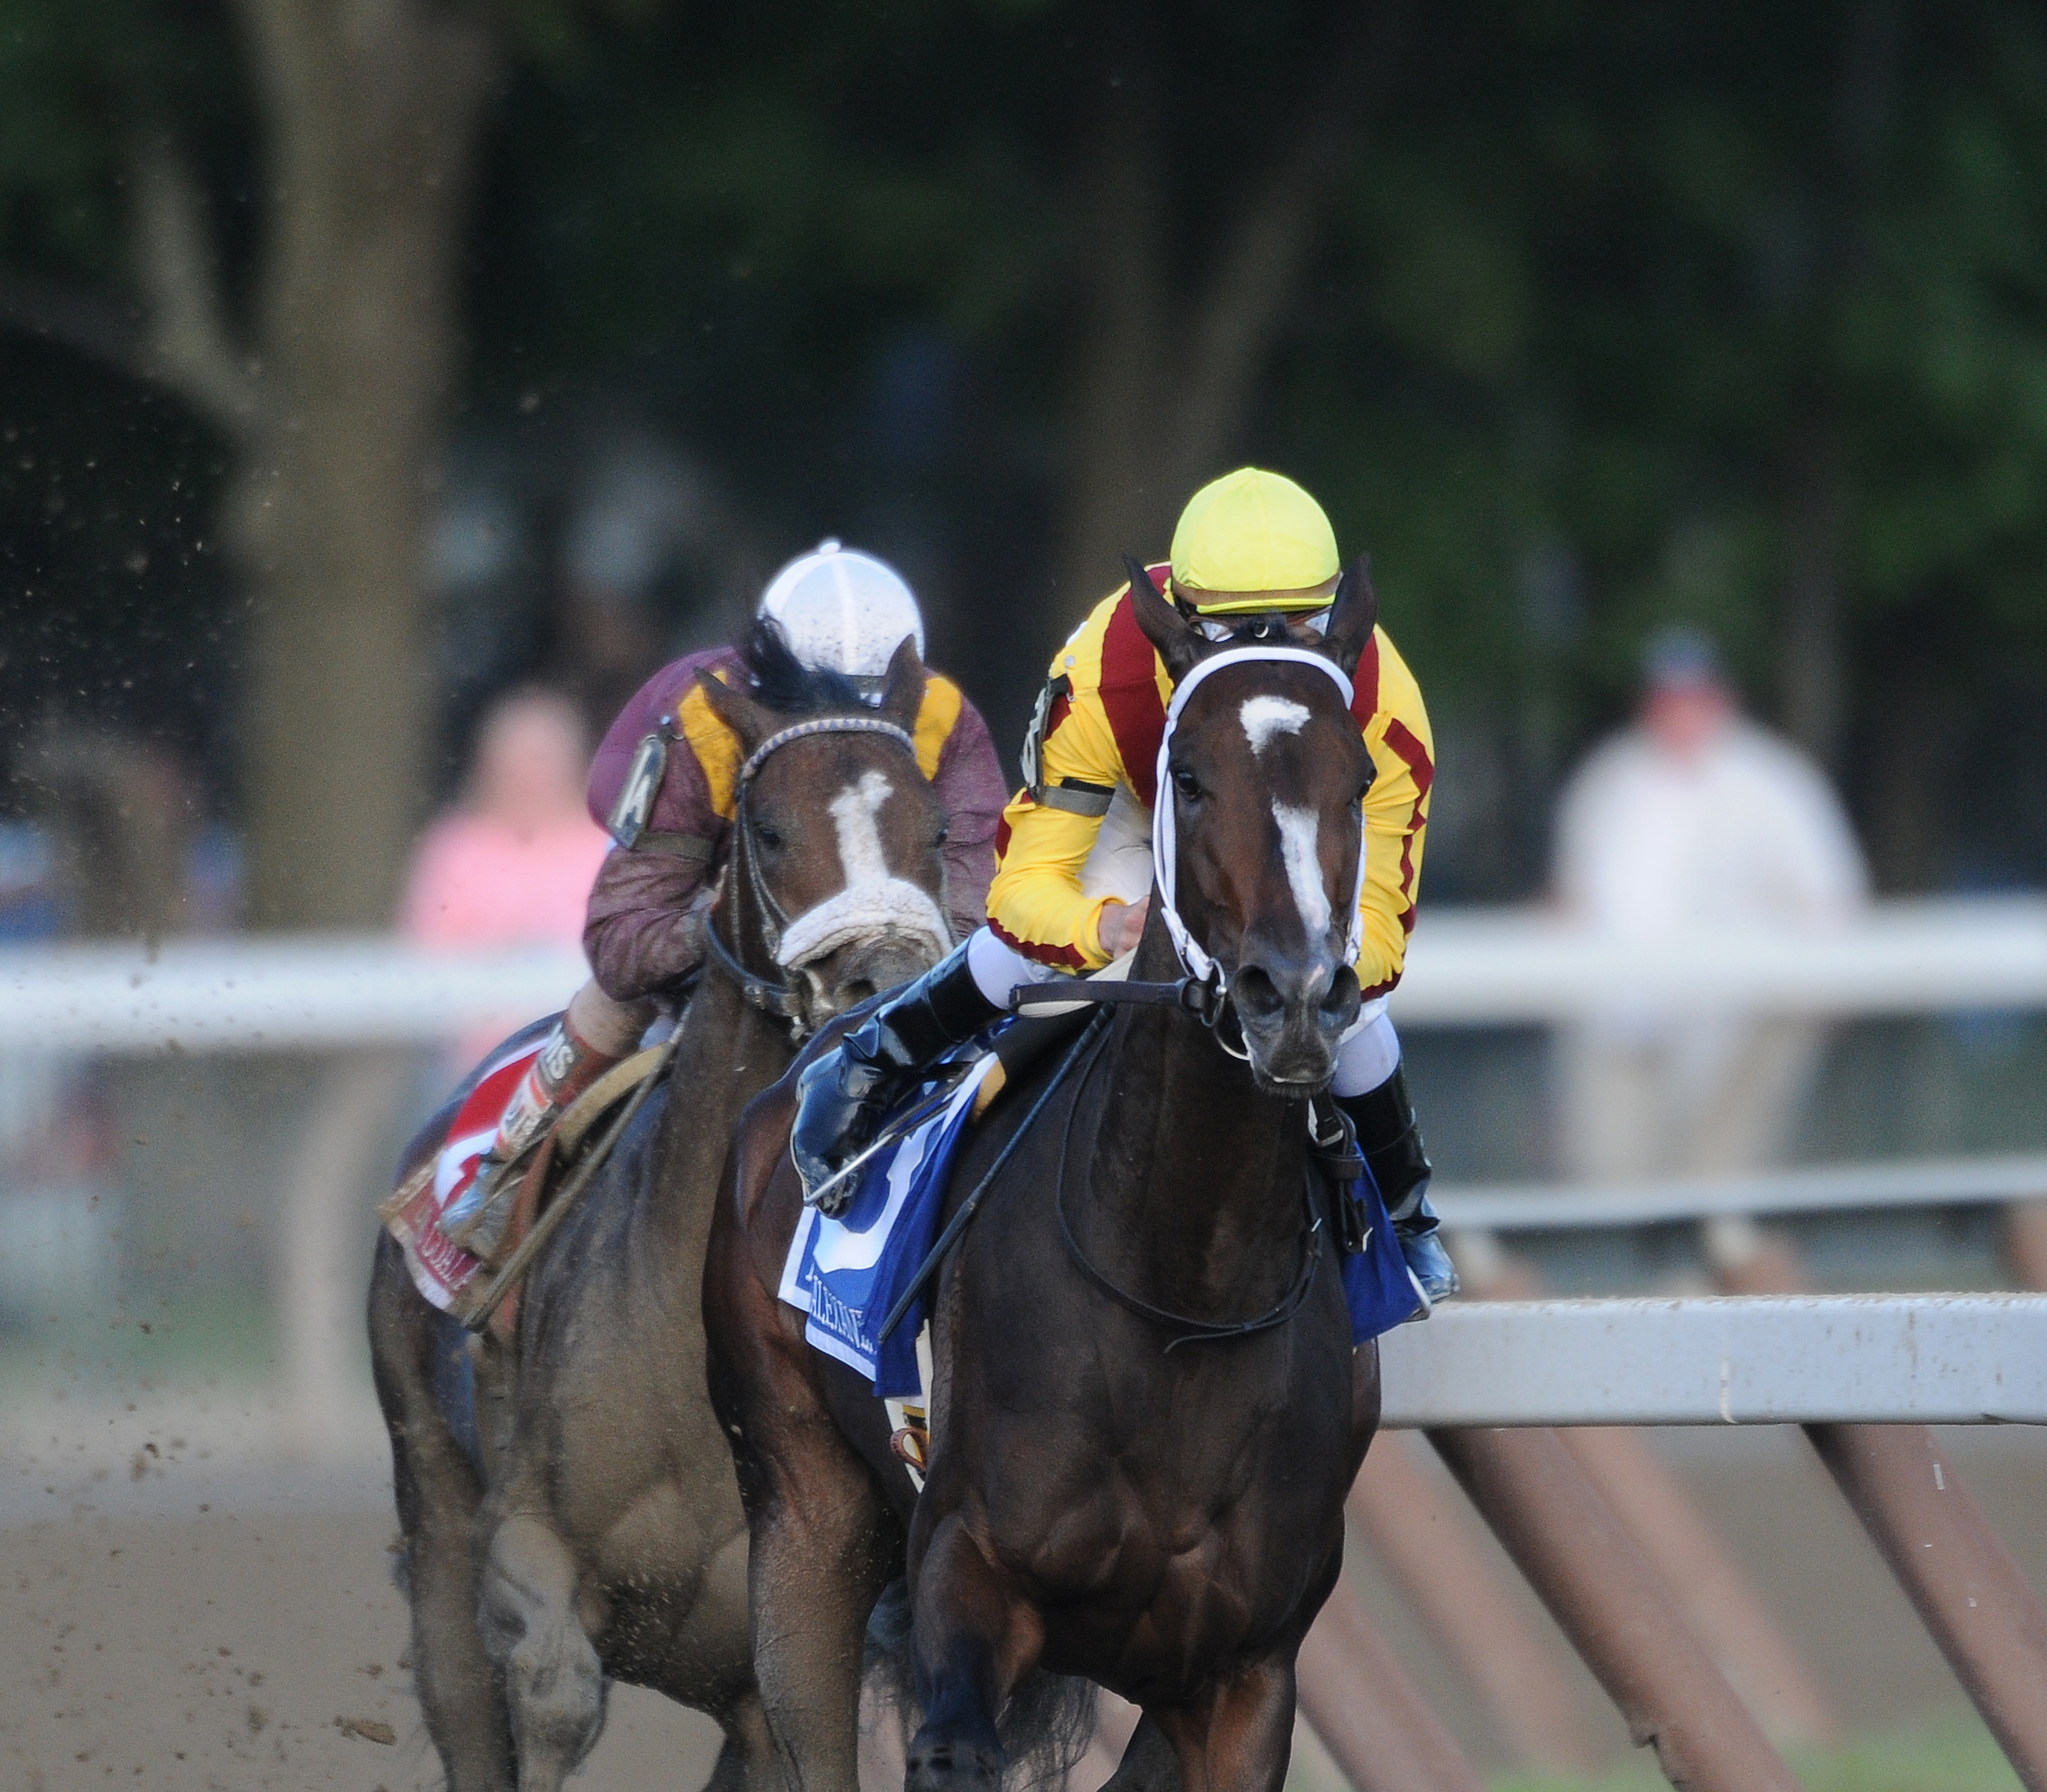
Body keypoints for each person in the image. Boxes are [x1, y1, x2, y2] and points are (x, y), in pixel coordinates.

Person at [784, 467, 1454, 1308]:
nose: (1265, 650)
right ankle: (873, 1060)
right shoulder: (1105, 674)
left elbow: (1382, 935)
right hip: (1144, 810)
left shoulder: (1387, 714)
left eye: (1298, 623)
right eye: (1232, 630)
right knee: (1032, 957)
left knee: (1349, 1004)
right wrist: (1102, 928)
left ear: (1338, 614)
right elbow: (1024, 889)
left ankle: (1403, 1207)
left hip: (1289, 821)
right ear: (1177, 613)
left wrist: (1315, 965)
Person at [448, 542, 1007, 1257]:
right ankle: (506, 1177)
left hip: (891, 944)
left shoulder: (945, 719)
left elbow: (974, 896)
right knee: (620, 998)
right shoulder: (705, 720)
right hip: (730, 907)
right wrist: (718, 920)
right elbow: (623, 938)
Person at [1551, 629, 1866, 1184]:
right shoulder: (1610, 779)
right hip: (1620, 1024)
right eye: (1666, 699)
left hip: (1736, 1026)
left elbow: (1829, 897)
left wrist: (1822, 992)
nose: (1679, 714)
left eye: (1693, 698)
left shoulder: (1773, 783)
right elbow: (1572, 898)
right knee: (1613, 1183)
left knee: (1719, 1181)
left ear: (1721, 700)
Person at [398, 686, 610, 1071]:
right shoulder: (457, 846)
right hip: (473, 1062)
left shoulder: (605, 845)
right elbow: (426, 953)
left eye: (542, 762)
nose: (529, 778)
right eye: (515, 764)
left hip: (592, 1059)